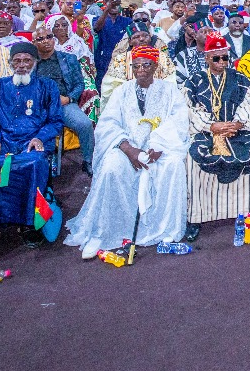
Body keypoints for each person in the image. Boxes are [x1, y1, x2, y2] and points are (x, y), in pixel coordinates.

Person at [64, 46, 190, 259]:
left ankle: (163, 228)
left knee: (174, 165)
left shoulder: (170, 91)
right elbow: (108, 124)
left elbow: (177, 121)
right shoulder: (121, 92)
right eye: (136, 66)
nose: (141, 69)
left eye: (146, 65)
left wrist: (159, 146)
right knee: (111, 168)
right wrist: (128, 149)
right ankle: (102, 231)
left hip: (159, 149)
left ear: (155, 67)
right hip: (126, 148)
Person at [0, 42, 63, 258]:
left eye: (27, 61)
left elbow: (55, 122)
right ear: (10, 63)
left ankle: (28, 225)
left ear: (35, 63)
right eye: (17, 61)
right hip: (3, 142)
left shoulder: (48, 87)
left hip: (32, 142)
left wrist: (39, 137)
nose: (22, 65)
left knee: (33, 165)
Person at [184, 33, 250, 240]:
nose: (222, 62)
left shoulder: (240, 79)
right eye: (216, 58)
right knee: (191, 158)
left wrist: (238, 123)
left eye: (225, 57)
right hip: (206, 132)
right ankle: (197, 217)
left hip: (237, 130)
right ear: (207, 58)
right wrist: (212, 126)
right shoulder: (195, 81)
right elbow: (189, 109)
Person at [32, 26, 97, 175]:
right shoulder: (31, 61)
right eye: (41, 39)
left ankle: (88, 160)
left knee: (85, 124)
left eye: (49, 37)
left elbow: (79, 84)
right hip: (39, 105)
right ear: (34, 42)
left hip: (64, 103)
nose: (46, 41)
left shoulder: (68, 58)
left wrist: (69, 98)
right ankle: (34, 162)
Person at [100, 23, 177, 105]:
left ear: (150, 38)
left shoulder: (162, 57)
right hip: (128, 104)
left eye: (145, 36)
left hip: (159, 102)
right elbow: (110, 87)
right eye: (136, 37)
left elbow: (170, 82)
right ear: (130, 42)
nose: (141, 39)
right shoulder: (121, 60)